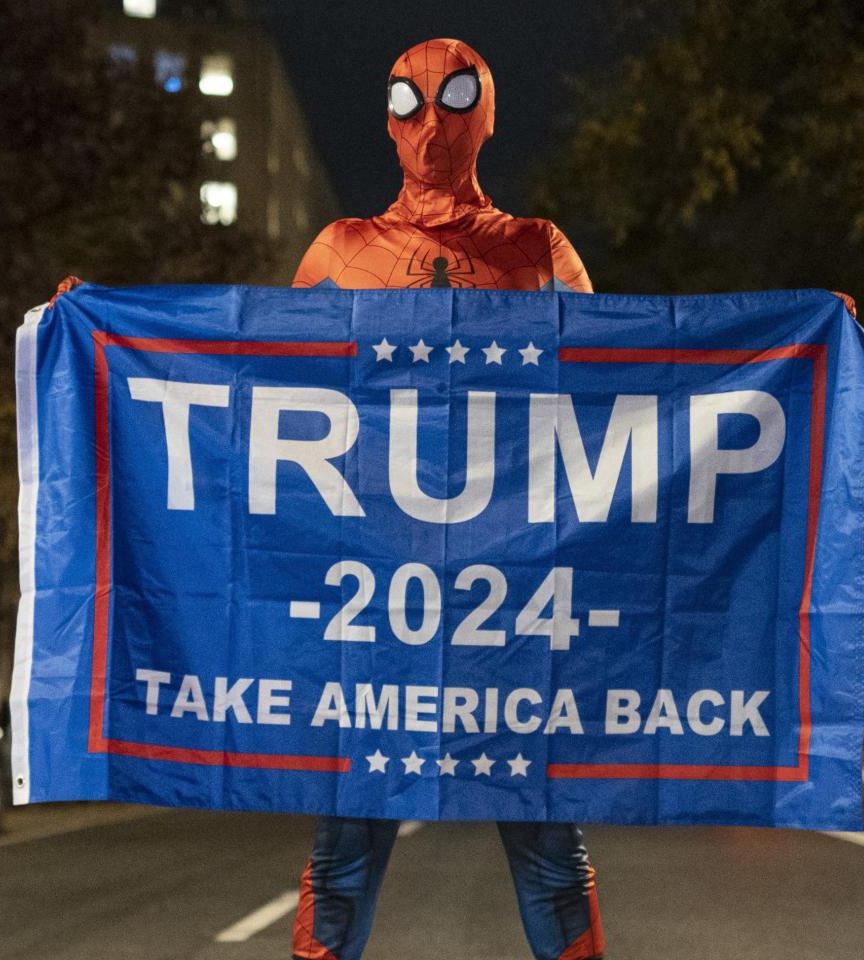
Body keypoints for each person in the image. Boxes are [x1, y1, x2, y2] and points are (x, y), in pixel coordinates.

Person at [287, 39, 604, 960]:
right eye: (409, 101)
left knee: (547, 843)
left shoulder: (536, 247)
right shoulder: (342, 250)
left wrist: (792, 343)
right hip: (381, 599)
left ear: (487, 113)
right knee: (344, 848)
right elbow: (257, 385)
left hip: (506, 599)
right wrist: (111, 333)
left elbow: (629, 384)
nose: (431, 124)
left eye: (453, 99)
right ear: (387, 119)